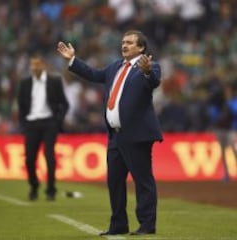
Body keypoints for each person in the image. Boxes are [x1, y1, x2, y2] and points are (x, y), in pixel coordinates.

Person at [57, 30, 163, 235]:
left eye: (130, 43)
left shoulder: (149, 67)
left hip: (137, 135)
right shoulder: (116, 66)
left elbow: (153, 81)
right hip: (116, 135)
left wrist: (148, 71)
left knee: (143, 181)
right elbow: (94, 74)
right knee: (114, 181)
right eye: (123, 42)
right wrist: (73, 61)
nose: (124, 45)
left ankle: (147, 224)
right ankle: (118, 224)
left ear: (141, 48)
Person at [17, 55, 69, 201]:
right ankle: (34, 185)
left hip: (49, 123)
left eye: (38, 64)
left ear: (44, 65)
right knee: (29, 159)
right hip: (32, 124)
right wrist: (24, 124)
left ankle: (51, 189)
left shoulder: (54, 81)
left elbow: (64, 104)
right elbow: (21, 106)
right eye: (32, 65)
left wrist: (57, 121)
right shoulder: (25, 83)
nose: (35, 67)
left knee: (49, 156)